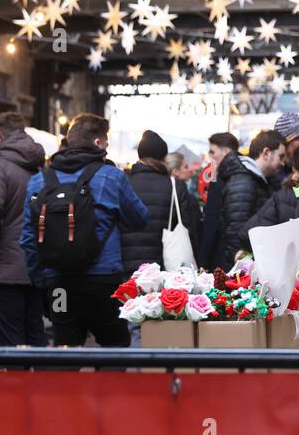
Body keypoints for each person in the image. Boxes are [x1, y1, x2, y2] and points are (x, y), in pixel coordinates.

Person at [19, 113, 150, 347]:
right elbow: (140, 219)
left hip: (59, 283)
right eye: (106, 142)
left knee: (66, 348)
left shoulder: (39, 181)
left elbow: (28, 240)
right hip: (104, 281)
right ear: (98, 143)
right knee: (115, 347)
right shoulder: (112, 177)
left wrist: (41, 282)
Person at [0, 111, 48, 346]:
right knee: (35, 332)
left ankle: (17, 382)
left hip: (3, 268)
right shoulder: (38, 167)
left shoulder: (0, 168)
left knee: (10, 339)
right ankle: (39, 382)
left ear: (0, 136)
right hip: (35, 263)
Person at [122, 130, 202, 270]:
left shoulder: (124, 183)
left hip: (127, 263)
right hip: (164, 266)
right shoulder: (174, 186)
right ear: (164, 157)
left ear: (140, 154)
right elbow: (188, 228)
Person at [213, 130, 285, 269]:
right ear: (266, 153)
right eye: (280, 156)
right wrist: (239, 271)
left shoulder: (258, 180)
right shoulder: (244, 182)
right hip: (240, 269)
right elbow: (235, 232)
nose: (282, 163)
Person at [197, 131, 240, 268]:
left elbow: (212, 221)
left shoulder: (220, 177)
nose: (210, 156)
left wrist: (203, 261)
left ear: (226, 151)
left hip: (222, 252)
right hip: (244, 252)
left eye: (213, 152)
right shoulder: (248, 172)